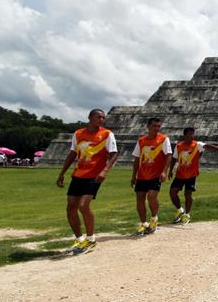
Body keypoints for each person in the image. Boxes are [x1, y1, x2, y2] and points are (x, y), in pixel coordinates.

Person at [56, 109, 119, 254]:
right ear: (90, 117)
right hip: (78, 174)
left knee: (83, 205)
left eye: (103, 117)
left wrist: (105, 170)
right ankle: (80, 239)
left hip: (94, 175)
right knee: (70, 207)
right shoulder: (78, 134)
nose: (101, 119)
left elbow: (114, 154)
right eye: (98, 117)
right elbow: (72, 153)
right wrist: (62, 173)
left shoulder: (107, 134)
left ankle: (91, 238)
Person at [168, 127, 218, 224]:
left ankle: (187, 214)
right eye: (189, 134)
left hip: (191, 174)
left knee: (188, 194)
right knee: (172, 192)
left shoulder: (197, 144)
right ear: (185, 135)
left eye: (193, 134)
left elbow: (207, 146)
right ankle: (180, 210)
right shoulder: (179, 146)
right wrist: (170, 170)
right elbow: (174, 158)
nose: (191, 136)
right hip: (180, 174)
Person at [131, 118, 172, 236]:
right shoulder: (141, 141)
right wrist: (133, 175)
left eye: (158, 126)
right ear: (148, 126)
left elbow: (168, 155)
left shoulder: (163, 139)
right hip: (142, 174)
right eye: (154, 126)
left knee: (151, 197)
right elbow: (137, 158)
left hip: (156, 174)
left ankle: (154, 219)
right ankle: (143, 223)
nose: (157, 128)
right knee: (140, 198)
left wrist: (164, 171)